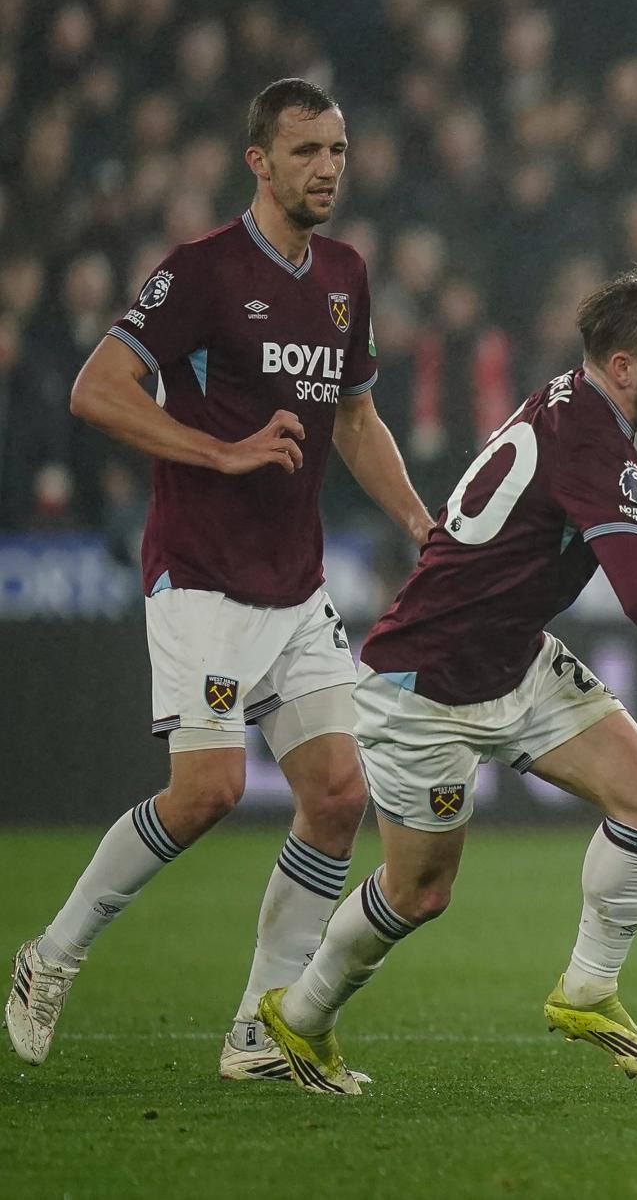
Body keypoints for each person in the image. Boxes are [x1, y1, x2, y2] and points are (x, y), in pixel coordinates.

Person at [256, 268, 637, 1094]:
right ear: (624, 366)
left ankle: (588, 988)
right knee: (419, 893)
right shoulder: (593, 442)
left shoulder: (577, 401)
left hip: (513, 657)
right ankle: (300, 1016)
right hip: (428, 686)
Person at [7, 78, 432, 1082]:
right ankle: (49, 955)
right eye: (306, 152)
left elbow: (357, 422)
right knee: (207, 791)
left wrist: (421, 521)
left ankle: (259, 1031)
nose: (326, 167)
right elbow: (95, 389)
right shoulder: (201, 270)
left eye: (337, 149)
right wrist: (220, 450)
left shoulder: (345, 275)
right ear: (260, 161)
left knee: (337, 790)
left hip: (295, 584)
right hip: (199, 576)